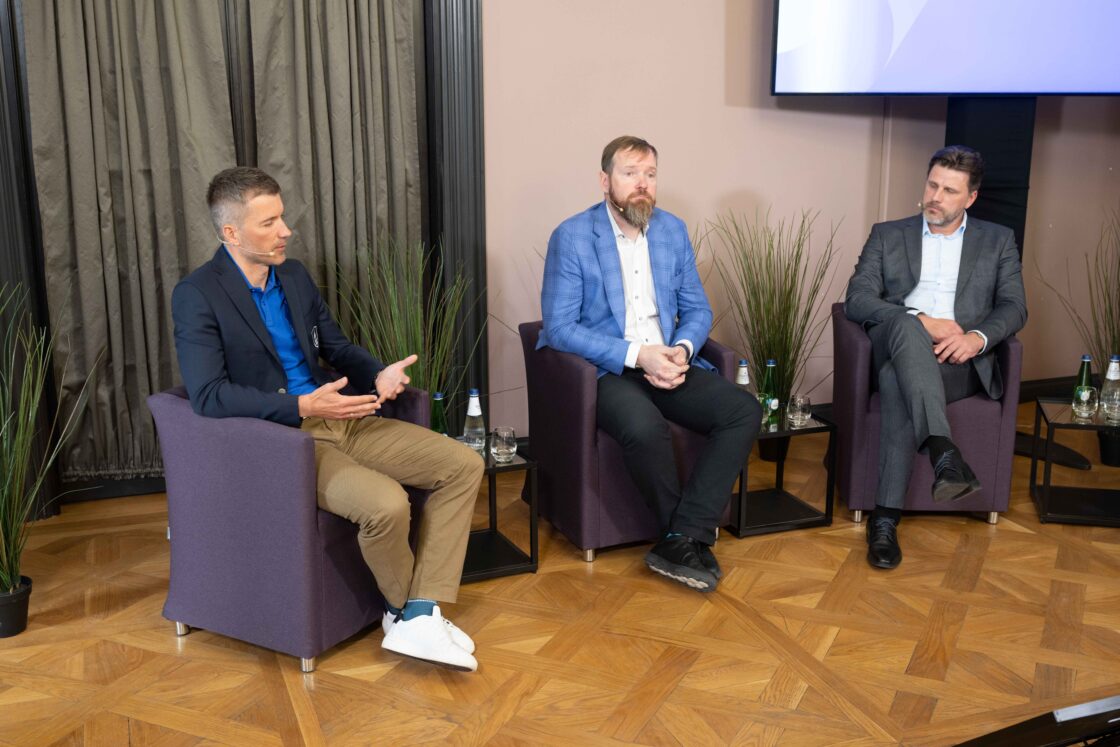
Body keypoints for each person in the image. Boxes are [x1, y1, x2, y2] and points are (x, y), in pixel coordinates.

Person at [172, 167, 484, 671]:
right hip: (285, 440)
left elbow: (335, 346)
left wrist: (377, 372)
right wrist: (302, 406)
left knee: (463, 464)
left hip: (345, 416)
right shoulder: (198, 294)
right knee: (386, 505)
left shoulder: (293, 276)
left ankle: (418, 611)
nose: (285, 230)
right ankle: (407, 614)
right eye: (269, 223)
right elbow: (209, 396)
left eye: (282, 217)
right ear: (231, 232)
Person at [539, 135, 762, 592]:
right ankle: (682, 537)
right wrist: (639, 355)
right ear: (605, 181)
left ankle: (683, 535)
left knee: (743, 410)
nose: (642, 184)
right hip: (608, 369)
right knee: (644, 427)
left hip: (668, 360)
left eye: (650, 174)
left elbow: (697, 309)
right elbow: (559, 328)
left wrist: (681, 350)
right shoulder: (573, 236)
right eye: (630, 173)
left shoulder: (672, 230)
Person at [844, 145, 1027, 570]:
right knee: (908, 324)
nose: (935, 197)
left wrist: (977, 339)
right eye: (932, 185)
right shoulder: (887, 234)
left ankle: (884, 520)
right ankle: (943, 452)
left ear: (971, 198)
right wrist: (922, 321)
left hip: (956, 362)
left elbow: (1015, 307)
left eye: (949, 190)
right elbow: (857, 299)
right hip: (896, 340)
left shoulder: (998, 240)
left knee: (897, 380)